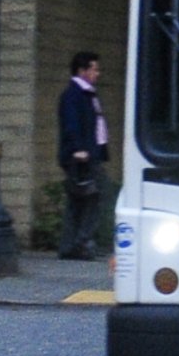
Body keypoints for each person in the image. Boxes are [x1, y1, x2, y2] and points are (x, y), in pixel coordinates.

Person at [57, 51, 109, 260]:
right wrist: (78, 149)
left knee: (79, 200)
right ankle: (81, 243)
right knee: (95, 196)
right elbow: (71, 124)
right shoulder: (74, 94)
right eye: (94, 69)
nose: (98, 73)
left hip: (89, 154)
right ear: (82, 71)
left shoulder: (88, 94)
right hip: (81, 156)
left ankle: (71, 245)